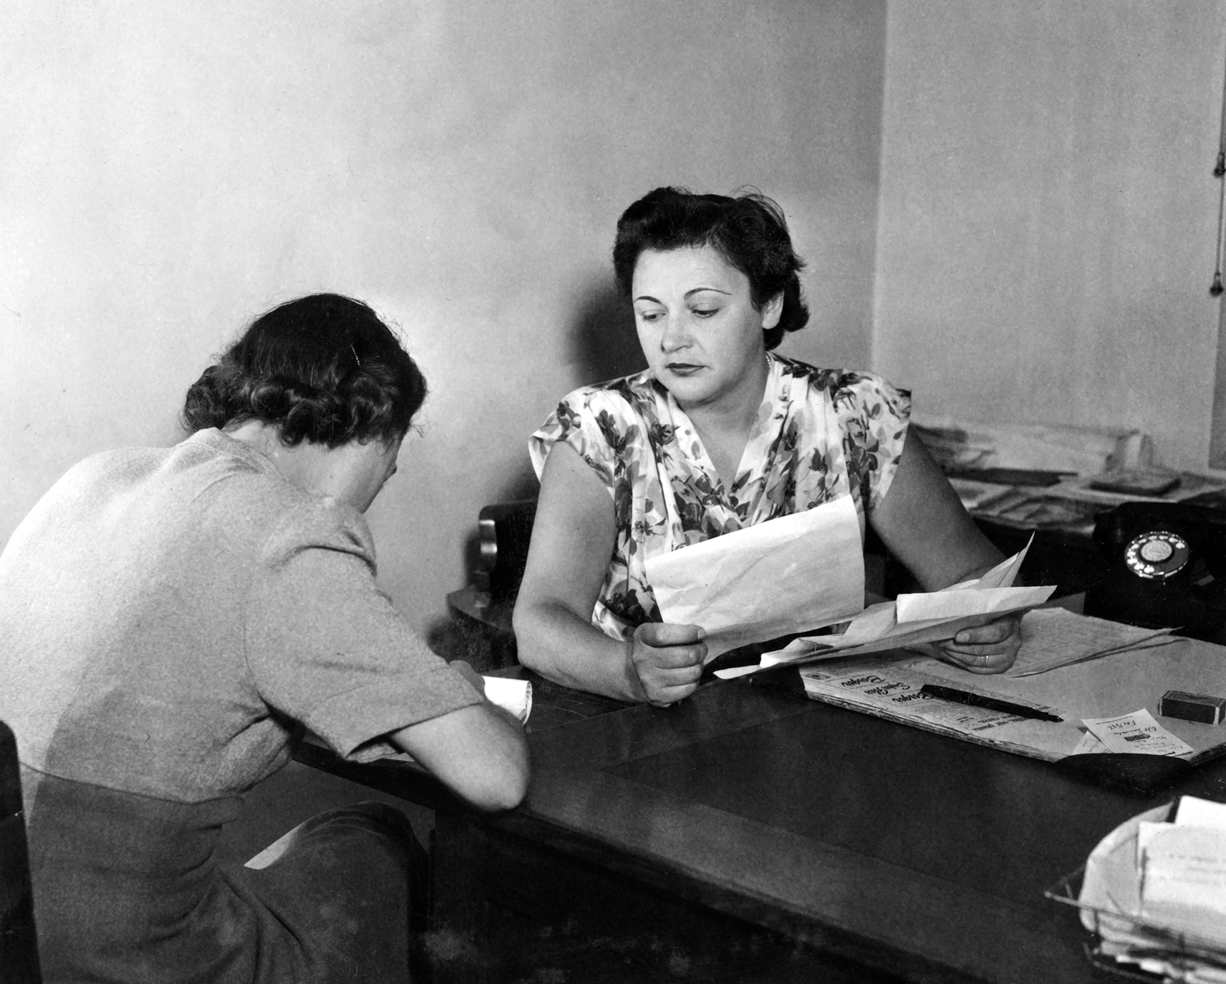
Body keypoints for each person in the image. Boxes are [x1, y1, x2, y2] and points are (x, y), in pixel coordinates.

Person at [0, 293, 530, 983]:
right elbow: (497, 778)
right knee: (377, 842)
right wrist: (457, 689)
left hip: (20, 936)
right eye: (389, 468)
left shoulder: (93, 478)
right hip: (126, 962)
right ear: (373, 431)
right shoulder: (290, 531)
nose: (376, 492)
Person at [513, 187, 1022, 707]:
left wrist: (987, 622)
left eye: (703, 310)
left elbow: (970, 575)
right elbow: (539, 621)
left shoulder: (855, 413)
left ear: (770, 305)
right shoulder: (599, 428)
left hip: (814, 715)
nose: (672, 339)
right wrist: (627, 669)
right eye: (651, 314)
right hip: (638, 726)